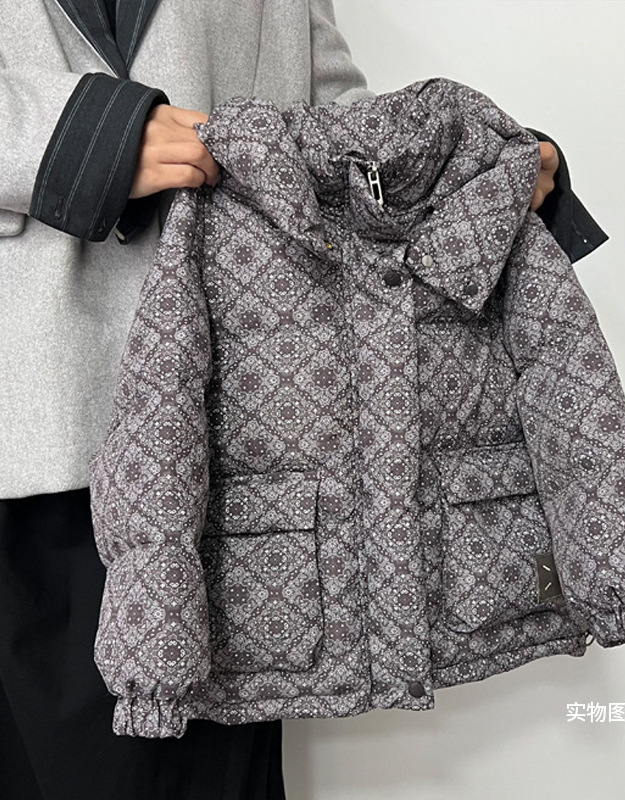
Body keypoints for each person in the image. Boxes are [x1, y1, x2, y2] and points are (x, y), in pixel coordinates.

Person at [0, 2, 580, 798]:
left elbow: (336, 127)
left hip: (221, 468)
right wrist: (75, 138)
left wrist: (480, 170)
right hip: (30, 409)